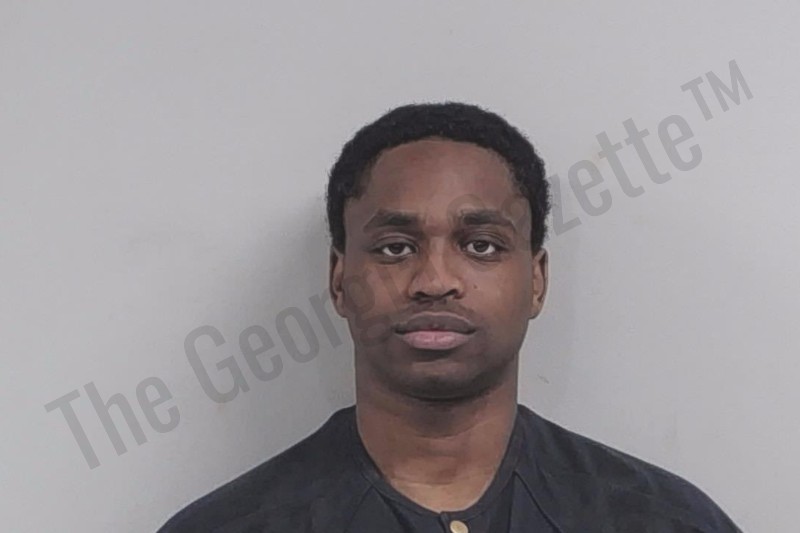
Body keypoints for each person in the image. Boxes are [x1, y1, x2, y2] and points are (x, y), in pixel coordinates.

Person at [159, 102, 741, 532]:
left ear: (537, 280)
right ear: (339, 280)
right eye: (395, 248)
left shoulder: (664, 520)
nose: (435, 281)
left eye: (481, 246)